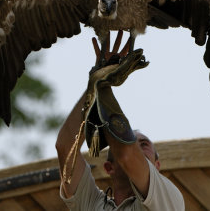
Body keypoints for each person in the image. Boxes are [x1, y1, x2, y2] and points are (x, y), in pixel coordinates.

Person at [55, 31, 185, 210]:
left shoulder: (168, 198)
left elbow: (126, 154)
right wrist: (94, 83)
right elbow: (65, 146)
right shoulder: (93, 205)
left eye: (144, 144)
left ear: (157, 166)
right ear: (109, 168)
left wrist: (102, 83)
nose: (137, 147)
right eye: (136, 143)